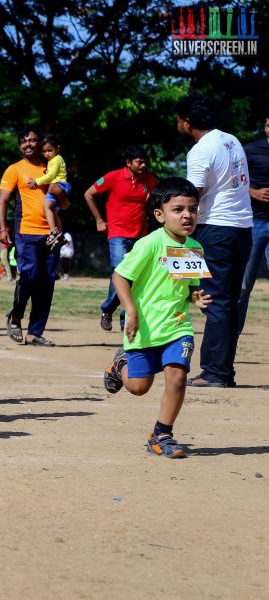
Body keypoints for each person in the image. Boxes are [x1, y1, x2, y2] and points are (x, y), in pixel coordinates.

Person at [103, 177, 213, 458]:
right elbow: (119, 276)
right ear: (159, 214)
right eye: (178, 209)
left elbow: (187, 287)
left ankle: (162, 434)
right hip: (143, 329)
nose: (187, 215)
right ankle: (120, 365)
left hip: (178, 327)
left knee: (177, 378)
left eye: (192, 209)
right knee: (138, 387)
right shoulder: (149, 244)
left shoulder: (194, 248)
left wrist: (195, 297)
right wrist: (131, 310)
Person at [176, 93, 253, 387]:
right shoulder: (231, 140)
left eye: (178, 119)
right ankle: (224, 370)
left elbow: (190, 197)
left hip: (215, 229)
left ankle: (215, 372)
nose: (178, 124)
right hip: (242, 228)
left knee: (213, 301)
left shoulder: (200, 150)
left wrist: (178, 230)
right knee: (228, 301)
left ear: (187, 121)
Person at [0, 126, 59, 346]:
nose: (28, 144)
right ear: (19, 146)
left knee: (47, 282)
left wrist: (62, 194)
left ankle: (34, 332)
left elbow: (65, 201)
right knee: (30, 276)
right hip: (26, 231)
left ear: (40, 143)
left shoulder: (52, 168)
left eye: (32, 140)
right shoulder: (14, 169)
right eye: (23, 141)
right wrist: (3, 229)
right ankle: (15, 316)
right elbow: (3, 201)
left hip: (52, 234)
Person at [83, 145, 156, 332]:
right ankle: (108, 310)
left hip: (141, 236)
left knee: (134, 277)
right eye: (139, 161)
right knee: (121, 273)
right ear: (128, 163)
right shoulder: (113, 177)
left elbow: (156, 200)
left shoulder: (148, 179)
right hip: (117, 234)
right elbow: (88, 194)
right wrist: (99, 220)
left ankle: (124, 317)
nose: (143, 164)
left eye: (145, 161)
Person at [238, 109, 269, 335]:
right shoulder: (249, 150)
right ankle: (232, 338)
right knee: (244, 285)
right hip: (255, 222)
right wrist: (254, 193)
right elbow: (234, 180)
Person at [27, 134, 70, 250]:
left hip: (58, 185)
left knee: (46, 207)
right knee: (54, 212)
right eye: (44, 151)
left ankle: (53, 232)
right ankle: (60, 235)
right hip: (61, 185)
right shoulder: (54, 159)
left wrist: (37, 181)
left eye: (50, 150)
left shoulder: (55, 160)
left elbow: (51, 175)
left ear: (58, 148)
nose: (47, 154)